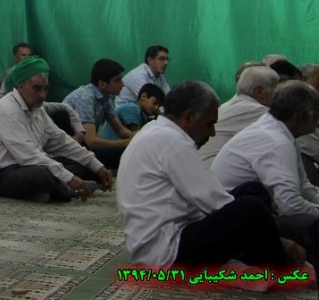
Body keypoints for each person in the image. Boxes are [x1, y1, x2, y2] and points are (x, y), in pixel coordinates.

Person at [116, 80, 302, 271]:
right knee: (251, 209)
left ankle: (260, 257)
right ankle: (284, 268)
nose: (212, 133)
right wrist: (278, 240)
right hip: (168, 252)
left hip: (164, 239)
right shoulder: (171, 140)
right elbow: (215, 201)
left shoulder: (155, 131)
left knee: (251, 190)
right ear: (188, 117)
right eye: (210, 124)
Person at [211, 81, 319, 261]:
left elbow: (305, 189)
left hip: (253, 211)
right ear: (303, 115)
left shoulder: (280, 132)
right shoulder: (276, 141)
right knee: (312, 225)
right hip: (232, 225)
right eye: (317, 113)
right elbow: (290, 206)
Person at [0, 56, 112, 202]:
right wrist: (69, 178)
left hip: (30, 165)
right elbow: (28, 156)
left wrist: (97, 166)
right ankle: (64, 191)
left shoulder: (37, 109)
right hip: (1, 174)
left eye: (45, 89)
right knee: (42, 174)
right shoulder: (7, 110)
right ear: (20, 86)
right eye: (36, 88)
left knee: (80, 164)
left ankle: (44, 192)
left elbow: (61, 141)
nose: (42, 95)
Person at [197, 64, 279, 166]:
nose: (279, 95)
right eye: (277, 91)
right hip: (213, 169)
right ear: (260, 92)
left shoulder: (234, 103)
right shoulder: (254, 110)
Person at [61, 59, 133, 170]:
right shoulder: (86, 98)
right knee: (125, 153)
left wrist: (140, 137)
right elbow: (91, 142)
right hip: (68, 155)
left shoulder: (105, 98)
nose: (122, 84)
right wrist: (126, 143)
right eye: (118, 80)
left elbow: (121, 130)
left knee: (133, 149)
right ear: (102, 84)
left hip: (82, 149)